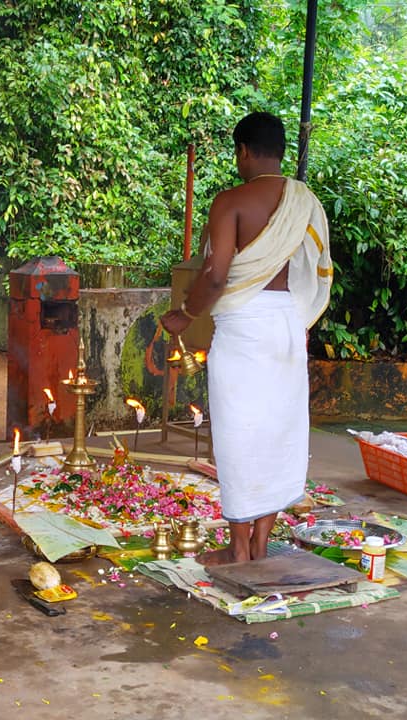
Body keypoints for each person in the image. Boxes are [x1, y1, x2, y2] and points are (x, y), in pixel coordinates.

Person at [160, 111, 332, 565]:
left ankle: (238, 548)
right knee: (276, 433)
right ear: (279, 150)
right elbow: (313, 268)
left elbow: (215, 276)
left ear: (243, 151)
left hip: (244, 328)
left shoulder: (230, 202)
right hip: (286, 324)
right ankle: (258, 544)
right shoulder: (304, 201)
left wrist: (184, 314)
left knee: (238, 435)